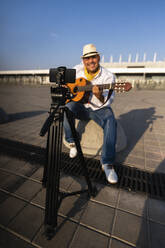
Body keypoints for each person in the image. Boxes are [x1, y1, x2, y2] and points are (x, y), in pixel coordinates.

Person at [64, 44, 118, 184]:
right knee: (67, 108)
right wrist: (68, 87)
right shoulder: (77, 70)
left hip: (97, 109)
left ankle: (107, 163)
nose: (90, 61)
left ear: (98, 57)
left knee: (111, 119)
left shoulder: (108, 77)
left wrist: (99, 96)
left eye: (93, 57)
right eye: (87, 58)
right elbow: (66, 83)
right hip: (80, 106)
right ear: (83, 60)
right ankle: (72, 142)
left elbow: (107, 102)